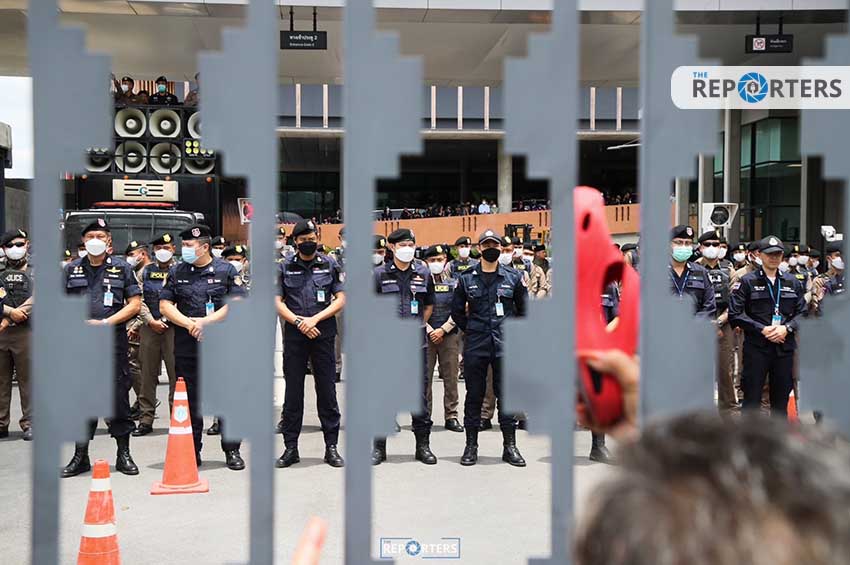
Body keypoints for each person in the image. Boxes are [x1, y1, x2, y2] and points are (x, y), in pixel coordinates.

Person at [159, 224, 246, 470]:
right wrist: (190, 324)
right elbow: (165, 305)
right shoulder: (177, 271)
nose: (184, 249)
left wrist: (206, 322)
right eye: (184, 244)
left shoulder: (226, 270)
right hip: (187, 342)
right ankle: (192, 450)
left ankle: (232, 450)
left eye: (189, 245)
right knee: (190, 398)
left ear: (205, 247)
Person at [61, 219, 142, 478]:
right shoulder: (71, 269)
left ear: (108, 241)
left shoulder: (122, 268)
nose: (94, 240)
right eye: (90, 236)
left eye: (100, 236)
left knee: (118, 398)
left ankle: (123, 454)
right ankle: (80, 456)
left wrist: (106, 323)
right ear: (83, 241)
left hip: (112, 341)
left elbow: (134, 304)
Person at [451, 229, 527, 467]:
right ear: (479, 248)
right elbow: (456, 311)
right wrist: (472, 330)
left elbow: (524, 310)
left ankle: (510, 446)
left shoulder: (513, 277)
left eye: (495, 245)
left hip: (505, 345)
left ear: (500, 247)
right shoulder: (466, 278)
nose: (491, 249)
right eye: (486, 245)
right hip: (476, 345)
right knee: (474, 395)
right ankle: (471, 446)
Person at [275, 220, 345, 469]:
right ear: (295, 241)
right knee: (293, 393)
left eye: (312, 238)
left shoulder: (330, 264)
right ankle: (291, 448)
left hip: (323, 333)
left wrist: (314, 319)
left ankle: (331, 447)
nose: (308, 242)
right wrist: (298, 321)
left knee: (327, 392)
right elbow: (277, 301)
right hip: (295, 335)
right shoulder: (284, 267)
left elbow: (341, 298)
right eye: (303, 239)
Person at [371, 228, 437, 466]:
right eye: (402, 245)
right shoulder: (379, 274)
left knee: (419, 396)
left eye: (410, 244)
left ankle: (423, 446)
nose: (407, 249)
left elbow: (428, 305)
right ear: (392, 247)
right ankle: (379, 448)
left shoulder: (423, 272)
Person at [729, 236, 807, 418]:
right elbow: (735, 313)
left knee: (780, 400)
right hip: (757, 347)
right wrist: (762, 329)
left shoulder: (792, 282)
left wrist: (787, 328)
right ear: (760, 255)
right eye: (770, 254)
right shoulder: (747, 281)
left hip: (784, 346)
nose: (774, 258)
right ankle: (750, 435)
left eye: (778, 254)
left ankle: (779, 435)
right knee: (752, 398)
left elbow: (803, 313)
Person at [132, 233, 178, 437]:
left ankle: (177, 417)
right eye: (158, 248)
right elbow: (138, 299)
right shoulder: (145, 271)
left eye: (166, 247)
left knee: (176, 374)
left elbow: (182, 297)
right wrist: (150, 320)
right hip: (150, 327)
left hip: (174, 327)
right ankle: (146, 419)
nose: (162, 251)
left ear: (173, 249)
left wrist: (167, 318)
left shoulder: (181, 270)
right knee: (147, 375)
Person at [422, 244, 463, 433]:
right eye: (432, 260)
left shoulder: (454, 283)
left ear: (445, 260)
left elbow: (459, 309)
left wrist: (443, 330)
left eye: (439, 260)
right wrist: (430, 329)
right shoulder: (420, 283)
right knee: (424, 378)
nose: (436, 263)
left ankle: (451, 416)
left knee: (451, 377)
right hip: (425, 335)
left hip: (449, 335)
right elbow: (417, 309)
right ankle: (424, 416)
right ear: (426, 262)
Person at [696, 231, 736, 413]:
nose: (712, 248)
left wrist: (719, 322)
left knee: (725, 370)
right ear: (700, 247)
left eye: (716, 244)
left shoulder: (729, 270)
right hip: (698, 323)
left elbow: (735, 301)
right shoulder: (694, 268)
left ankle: (728, 411)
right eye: (707, 244)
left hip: (724, 323)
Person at [0, 229, 32, 441]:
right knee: (1, 380)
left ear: (27, 244)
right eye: (10, 245)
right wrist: (10, 312)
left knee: (28, 380)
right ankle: (1, 423)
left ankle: (30, 423)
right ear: (3, 249)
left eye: (19, 244)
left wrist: (17, 313)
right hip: (2, 330)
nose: (15, 248)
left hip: (27, 331)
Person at [124, 240, 151, 423]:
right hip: (136, 323)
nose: (130, 258)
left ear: (142, 254)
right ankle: (141, 401)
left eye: (132, 254)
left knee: (133, 364)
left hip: (139, 325)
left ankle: (145, 401)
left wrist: (137, 325)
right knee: (135, 365)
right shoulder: (137, 272)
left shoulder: (147, 273)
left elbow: (144, 302)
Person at [668, 225, 716, 319]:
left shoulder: (701, 272)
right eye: (679, 242)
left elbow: (709, 306)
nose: (683, 246)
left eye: (688, 243)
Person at [810, 240, 845, 316]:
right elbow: (816, 306)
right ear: (829, 258)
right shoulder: (820, 280)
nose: (841, 258)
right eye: (838, 255)